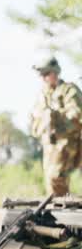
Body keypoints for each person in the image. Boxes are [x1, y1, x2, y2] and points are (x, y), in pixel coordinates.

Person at [29, 57, 82, 196]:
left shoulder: (68, 90)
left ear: (55, 73)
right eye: (41, 75)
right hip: (49, 146)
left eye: (46, 74)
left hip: (66, 143)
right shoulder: (43, 94)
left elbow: (76, 115)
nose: (43, 78)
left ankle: (63, 211)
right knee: (51, 183)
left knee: (56, 176)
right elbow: (35, 120)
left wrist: (56, 118)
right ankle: (59, 211)